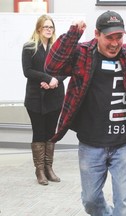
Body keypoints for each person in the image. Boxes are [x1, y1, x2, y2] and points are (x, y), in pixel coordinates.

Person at [44, 10, 126, 215]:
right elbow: (52, 66)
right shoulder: (82, 54)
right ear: (96, 34)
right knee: (90, 201)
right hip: (91, 143)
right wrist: (72, 33)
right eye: (109, 38)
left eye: (119, 37)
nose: (115, 43)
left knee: (124, 203)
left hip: (125, 142)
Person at [22, 15, 66, 186]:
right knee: (39, 133)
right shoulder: (29, 47)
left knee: (51, 134)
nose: (49, 29)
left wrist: (55, 81)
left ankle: (49, 168)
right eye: (46, 26)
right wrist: (48, 78)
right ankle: (39, 170)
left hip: (54, 96)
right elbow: (28, 71)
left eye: (51, 27)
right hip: (35, 98)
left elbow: (65, 69)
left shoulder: (58, 48)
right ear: (39, 28)